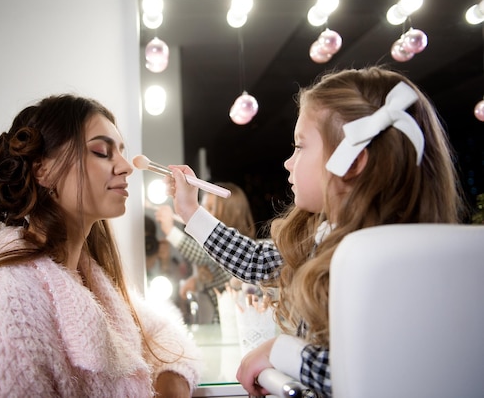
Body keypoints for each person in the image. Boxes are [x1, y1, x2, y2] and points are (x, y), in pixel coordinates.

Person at [164, 66, 466, 398]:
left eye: (300, 146)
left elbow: (374, 372)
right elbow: (252, 260)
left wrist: (281, 351)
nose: (288, 163)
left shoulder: (389, 267)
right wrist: (190, 212)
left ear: (352, 162)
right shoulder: (321, 238)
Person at [0, 94, 200, 397]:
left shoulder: (86, 278)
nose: (126, 167)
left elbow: (166, 335)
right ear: (42, 170)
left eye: (121, 152)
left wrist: (171, 387)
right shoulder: (4, 314)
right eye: (101, 151)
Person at [155, 182, 255, 324]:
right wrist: (198, 281)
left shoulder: (239, 253)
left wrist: (171, 231)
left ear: (231, 215)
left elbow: (203, 255)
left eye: (210, 208)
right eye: (202, 207)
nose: (204, 214)